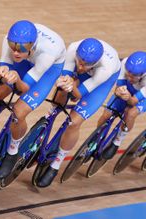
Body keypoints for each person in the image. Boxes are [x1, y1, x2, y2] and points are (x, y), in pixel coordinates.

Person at [0, 20, 66, 179]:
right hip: (28, 61)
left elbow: (24, 89)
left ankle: (12, 152)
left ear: (32, 45)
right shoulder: (10, 43)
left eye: (22, 48)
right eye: (13, 46)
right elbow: (5, 68)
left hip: (47, 69)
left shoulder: (47, 53)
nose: (16, 52)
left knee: (18, 112)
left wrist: (16, 79)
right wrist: (1, 74)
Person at [37, 38, 121, 187]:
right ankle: (50, 114)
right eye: (79, 61)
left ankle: (56, 164)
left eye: (85, 64)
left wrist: (73, 87)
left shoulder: (105, 69)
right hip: (86, 68)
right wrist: (67, 82)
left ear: (95, 63)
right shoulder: (72, 49)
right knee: (62, 88)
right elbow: (66, 79)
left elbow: (77, 96)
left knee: (74, 122)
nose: (81, 67)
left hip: (99, 82)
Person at [97, 51, 146, 159]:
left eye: (133, 77)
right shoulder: (125, 63)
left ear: (143, 74)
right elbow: (118, 89)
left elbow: (133, 102)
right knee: (107, 114)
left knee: (130, 113)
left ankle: (118, 140)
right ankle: (97, 137)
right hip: (132, 87)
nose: (129, 78)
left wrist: (128, 97)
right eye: (128, 74)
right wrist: (120, 92)